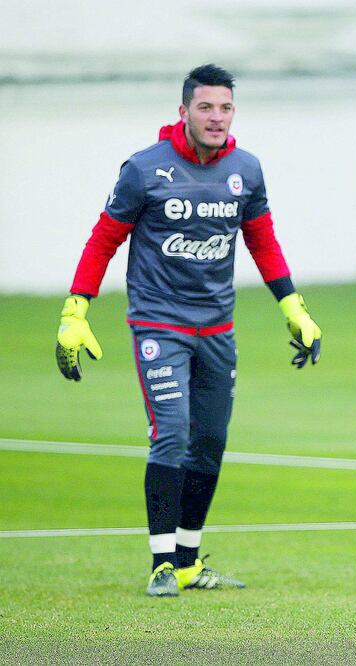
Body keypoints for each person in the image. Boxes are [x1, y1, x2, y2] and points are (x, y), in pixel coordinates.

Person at [55, 64, 322, 597]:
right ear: (183, 112)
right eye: (206, 107)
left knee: (211, 441)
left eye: (225, 108)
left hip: (218, 328)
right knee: (172, 433)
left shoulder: (246, 170)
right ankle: (160, 563)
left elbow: (261, 240)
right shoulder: (144, 170)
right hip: (160, 324)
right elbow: (103, 239)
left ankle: (189, 561)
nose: (216, 117)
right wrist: (75, 310)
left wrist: (292, 306)